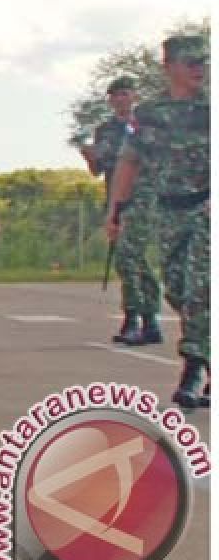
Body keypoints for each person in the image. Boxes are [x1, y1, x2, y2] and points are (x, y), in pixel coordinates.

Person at [107, 35, 210, 411]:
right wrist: (115, 211)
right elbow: (129, 162)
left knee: (201, 285)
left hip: (206, 209)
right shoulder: (147, 114)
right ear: (169, 67)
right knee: (178, 289)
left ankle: (194, 367)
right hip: (169, 210)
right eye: (190, 62)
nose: (199, 69)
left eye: (203, 61)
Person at [80, 76, 161, 344]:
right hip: (117, 198)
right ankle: (150, 320)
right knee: (133, 258)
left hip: (143, 197)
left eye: (125, 94)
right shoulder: (105, 130)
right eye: (115, 95)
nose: (121, 99)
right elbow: (98, 169)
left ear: (134, 96)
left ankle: (134, 317)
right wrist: (89, 155)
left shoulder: (146, 125)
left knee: (128, 257)